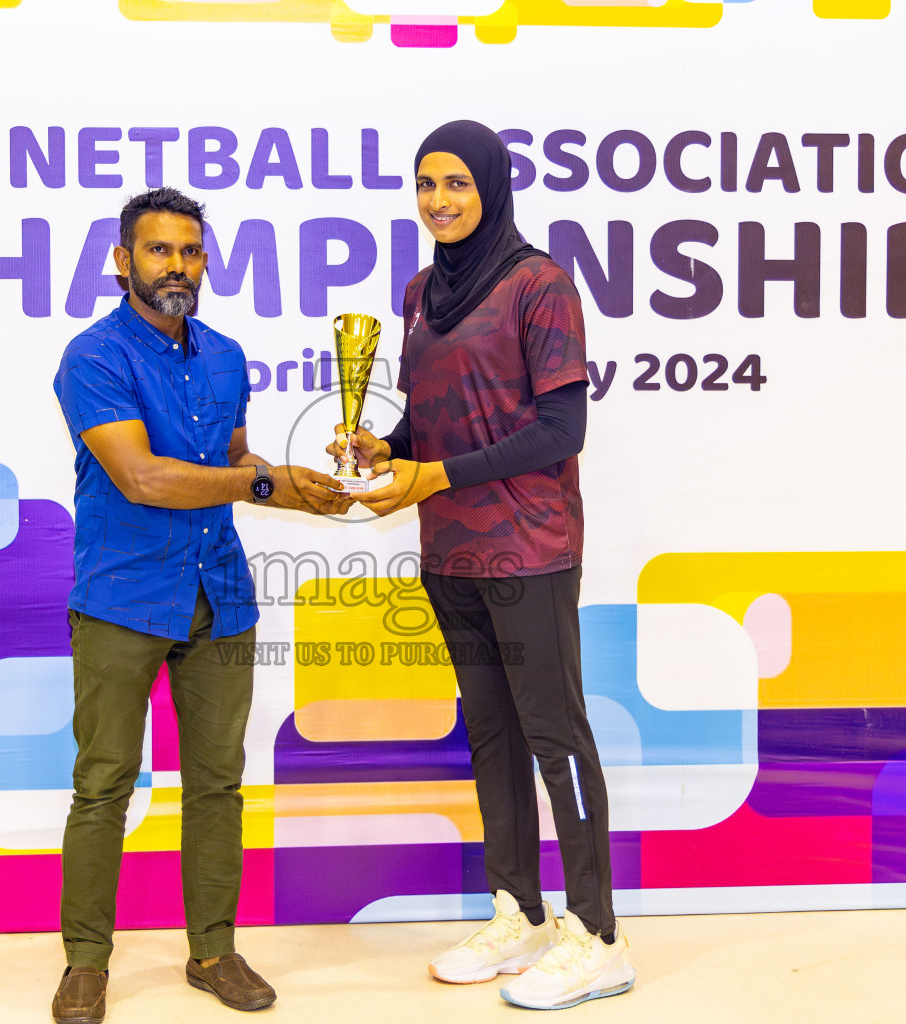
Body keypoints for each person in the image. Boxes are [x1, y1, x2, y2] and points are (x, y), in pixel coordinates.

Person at [330, 120, 633, 1011]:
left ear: (492, 187)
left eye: (457, 183)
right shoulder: (423, 291)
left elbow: (560, 430)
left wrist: (434, 473)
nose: (438, 201)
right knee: (492, 731)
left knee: (555, 735)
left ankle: (598, 933)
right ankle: (519, 911)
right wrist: (385, 449)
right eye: (426, 184)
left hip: (529, 549)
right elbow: (434, 424)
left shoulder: (541, 285)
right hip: (449, 548)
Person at [52, 186, 350, 1023]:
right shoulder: (94, 358)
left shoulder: (224, 356)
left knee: (218, 785)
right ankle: (85, 963)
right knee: (104, 785)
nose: (176, 266)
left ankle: (213, 950)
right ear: (123, 261)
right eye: (158, 251)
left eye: (190, 251)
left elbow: (233, 463)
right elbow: (143, 477)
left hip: (218, 596)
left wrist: (304, 488)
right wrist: (263, 480)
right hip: (121, 596)